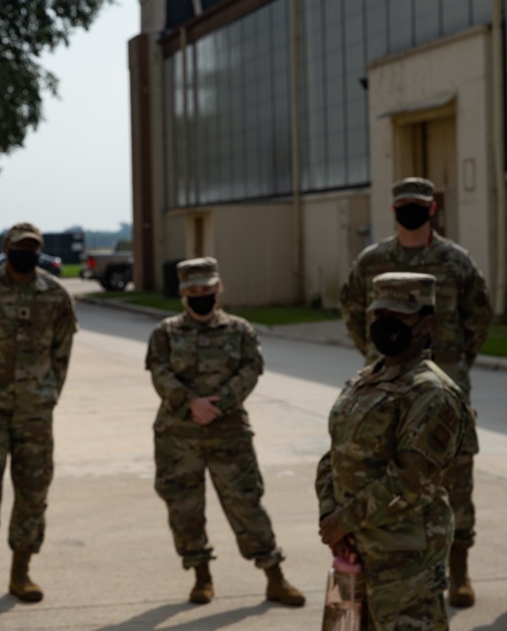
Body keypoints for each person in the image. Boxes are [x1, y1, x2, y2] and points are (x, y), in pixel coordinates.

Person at [339, 177, 491, 607]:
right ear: (393, 210)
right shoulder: (372, 260)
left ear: (432, 208)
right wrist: (376, 359)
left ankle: (458, 568)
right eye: (404, 204)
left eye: (418, 204)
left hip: (447, 386)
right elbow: (352, 311)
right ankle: (389, 570)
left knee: (456, 476)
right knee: (385, 473)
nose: (411, 210)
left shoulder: (455, 260)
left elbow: (478, 317)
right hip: (385, 389)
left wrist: (455, 362)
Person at [144, 257, 305, 607]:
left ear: (219, 288)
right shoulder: (166, 333)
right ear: (183, 294)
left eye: (207, 289)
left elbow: (251, 370)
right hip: (178, 435)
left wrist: (218, 405)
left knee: (247, 504)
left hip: (229, 431)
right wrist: (191, 403)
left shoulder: (241, 331)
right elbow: (159, 372)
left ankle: (274, 576)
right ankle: (201, 576)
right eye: (193, 291)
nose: (201, 295)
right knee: (184, 508)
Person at [317, 272, 474, 630]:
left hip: (405, 560)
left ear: (426, 322)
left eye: (399, 317)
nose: (385, 324)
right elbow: (335, 453)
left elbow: (411, 482)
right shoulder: (365, 380)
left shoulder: (432, 392)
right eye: (379, 315)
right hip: (354, 547)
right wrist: (331, 517)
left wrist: (343, 521)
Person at [0, 222, 78, 611]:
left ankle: (21, 572)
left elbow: (62, 348)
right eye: (21, 246)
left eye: (33, 247)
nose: (27, 252)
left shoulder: (55, 295)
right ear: (7, 248)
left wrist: (49, 391)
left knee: (33, 491)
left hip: (35, 412)